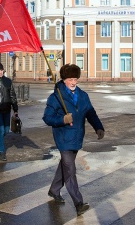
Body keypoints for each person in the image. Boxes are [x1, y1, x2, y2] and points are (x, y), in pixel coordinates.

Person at [43, 64, 105, 217]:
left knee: (65, 166)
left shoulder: (83, 95)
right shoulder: (56, 97)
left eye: (75, 79)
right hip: (63, 137)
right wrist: (62, 119)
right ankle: (78, 203)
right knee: (70, 170)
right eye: (70, 79)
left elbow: (90, 113)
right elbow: (47, 117)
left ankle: (54, 190)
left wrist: (98, 127)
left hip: (77, 136)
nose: (73, 82)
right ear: (64, 80)